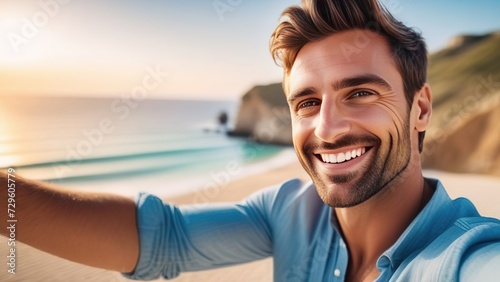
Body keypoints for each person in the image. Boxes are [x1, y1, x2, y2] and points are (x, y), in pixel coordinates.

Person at [1, 0, 500, 281]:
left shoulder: (465, 258)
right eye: (306, 103)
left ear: (421, 108)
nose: (327, 129)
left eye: (361, 92)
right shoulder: (291, 213)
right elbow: (163, 237)